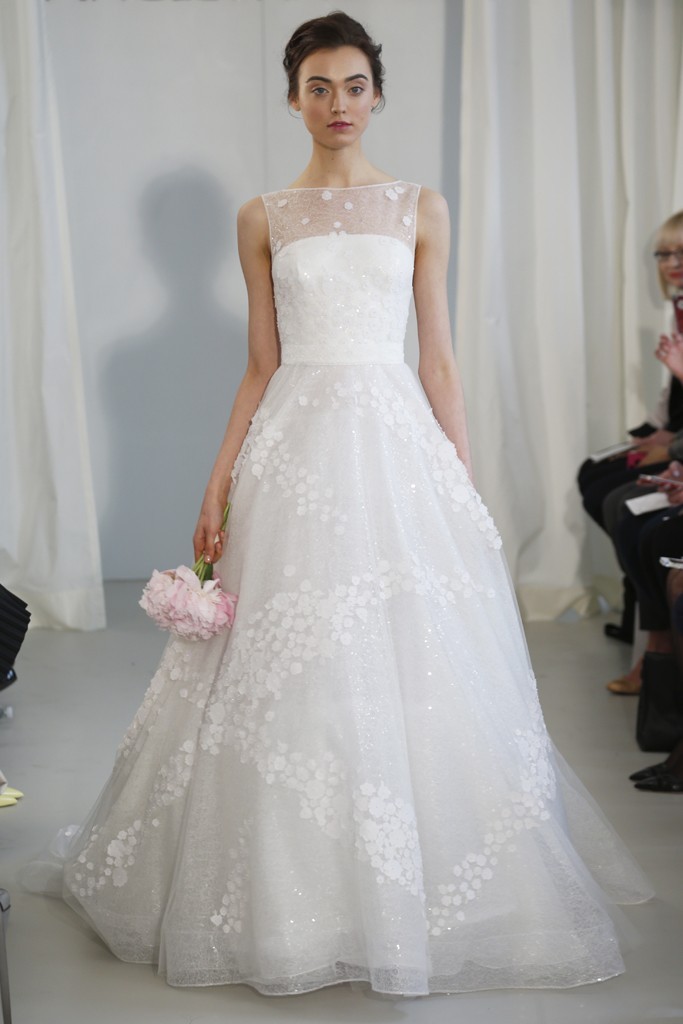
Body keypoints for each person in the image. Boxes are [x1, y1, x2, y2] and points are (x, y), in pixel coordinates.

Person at [29, 11, 652, 998]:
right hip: (294, 446)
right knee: (285, 652)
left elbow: (437, 357)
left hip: (389, 441)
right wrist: (216, 479)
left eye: (353, 85)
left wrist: (457, 477)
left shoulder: (419, 207)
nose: (337, 104)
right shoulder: (262, 217)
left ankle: (393, 886)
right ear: (292, 99)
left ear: (376, 94)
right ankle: (288, 889)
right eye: (317, 87)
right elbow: (259, 364)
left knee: (400, 649)